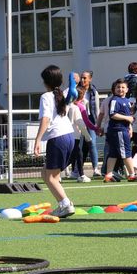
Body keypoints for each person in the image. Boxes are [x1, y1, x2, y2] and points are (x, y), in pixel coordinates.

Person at [33, 65, 76, 218]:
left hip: (57, 138)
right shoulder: (62, 95)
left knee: (50, 177)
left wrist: (37, 139)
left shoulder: (46, 96)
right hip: (69, 136)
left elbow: (45, 119)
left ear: (45, 82)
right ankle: (62, 204)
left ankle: (66, 204)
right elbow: (75, 80)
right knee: (47, 174)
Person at [104, 78, 137, 182]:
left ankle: (109, 175)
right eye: (118, 87)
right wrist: (127, 118)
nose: (120, 89)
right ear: (114, 89)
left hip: (122, 129)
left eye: (123, 87)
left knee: (114, 153)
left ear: (127, 89)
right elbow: (112, 114)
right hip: (118, 130)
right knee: (126, 152)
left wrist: (130, 127)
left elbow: (129, 116)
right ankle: (132, 174)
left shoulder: (127, 101)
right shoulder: (115, 100)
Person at [67, 86, 93, 182]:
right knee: (76, 155)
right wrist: (88, 136)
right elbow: (80, 123)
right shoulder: (75, 108)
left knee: (73, 155)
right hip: (74, 135)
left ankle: (79, 174)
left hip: (64, 135)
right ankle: (81, 175)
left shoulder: (66, 106)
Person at [79, 70, 102, 177]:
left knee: (92, 143)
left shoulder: (93, 92)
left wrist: (98, 125)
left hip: (90, 120)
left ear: (90, 79)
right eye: (81, 77)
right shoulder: (76, 90)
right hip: (77, 119)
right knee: (77, 145)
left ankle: (95, 169)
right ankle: (75, 170)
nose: (82, 80)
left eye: (85, 78)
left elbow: (97, 110)